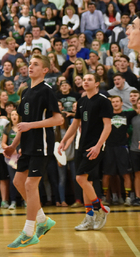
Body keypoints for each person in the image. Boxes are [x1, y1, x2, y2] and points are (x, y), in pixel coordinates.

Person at [4, 55, 63, 250]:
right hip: (27, 146)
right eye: (30, 64)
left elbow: (58, 120)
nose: (30, 67)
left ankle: (29, 232)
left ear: (45, 70)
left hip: (42, 145)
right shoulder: (26, 92)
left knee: (30, 184)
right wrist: (12, 146)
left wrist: (32, 125)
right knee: (18, 182)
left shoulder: (47, 91)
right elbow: (22, 125)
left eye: (36, 64)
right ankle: (43, 220)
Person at [58, 73, 112, 231]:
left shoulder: (103, 101)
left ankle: (100, 209)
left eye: (90, 79)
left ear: (97, 84)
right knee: (84, 182)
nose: (85, 81)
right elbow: (74, 125)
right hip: (81, 146)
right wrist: (64, 141)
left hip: (95, 146)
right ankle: (89, 217)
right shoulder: (81, 101)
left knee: (80, 178)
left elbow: (107, 126)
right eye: (84, 79)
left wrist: (98, 145)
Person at [101, 95, 134, 206]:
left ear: (121, 103)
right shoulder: (107, 116)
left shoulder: (127, 114)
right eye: (113, 102)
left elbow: (137, 110)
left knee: (126, 174)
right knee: (107, 174)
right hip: (109, 147)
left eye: (117, 101)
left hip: (122, 147)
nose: (115, 103)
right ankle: (106, 197)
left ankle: (128, 198)